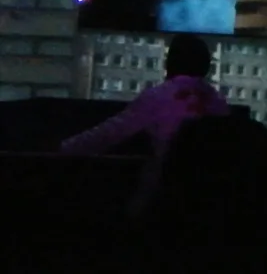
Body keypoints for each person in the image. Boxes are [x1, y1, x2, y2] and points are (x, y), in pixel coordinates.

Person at [60, 33, 230, 216]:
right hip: (212, 203)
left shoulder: (159, 97)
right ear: (205, 67)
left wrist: (64, 148)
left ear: (170, 63)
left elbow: (110, 133)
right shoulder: (219, 103)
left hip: (163, 198)